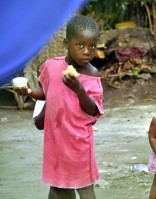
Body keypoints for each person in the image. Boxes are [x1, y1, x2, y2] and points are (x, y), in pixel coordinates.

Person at [15, 15, 104, 199]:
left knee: (85, 188)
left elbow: (93, 110)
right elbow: (46, 92)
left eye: (92, 46)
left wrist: (79, 90)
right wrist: (29, 92)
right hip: (56, 140)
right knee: (60, 187)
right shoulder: (50, 66)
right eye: (80, 45)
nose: (87, 51)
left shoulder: (91, 74)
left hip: (79, 142)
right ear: (66, 43)